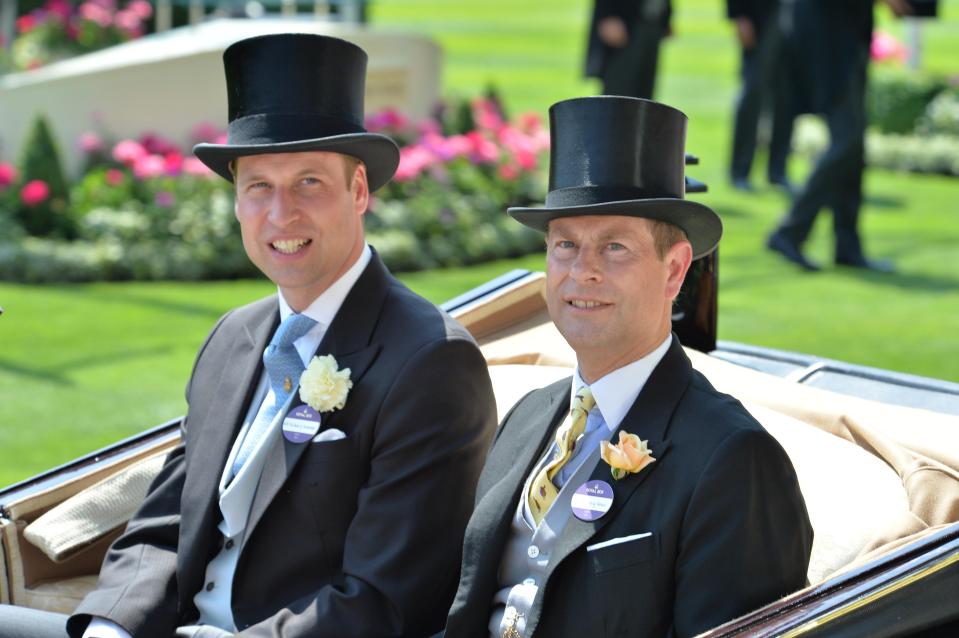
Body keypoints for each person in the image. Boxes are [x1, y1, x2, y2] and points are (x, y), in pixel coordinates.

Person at [0, 33, 497, 638]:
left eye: (309, 182)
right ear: (236, 200)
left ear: (360, 191)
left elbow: (380, 603)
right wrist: (111, 629)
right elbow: (164, 527)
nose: (280, 213)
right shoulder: (234, 337)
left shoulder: (431, 362)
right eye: (258, 184)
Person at [441, 96, 813, 638]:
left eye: (614, 247)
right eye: (565, 244)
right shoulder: (528, 416)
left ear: (675, 270)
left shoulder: (732, 458)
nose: (582, 272)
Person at [766, 0, 910, 272]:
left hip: (846, 38)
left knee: (853, 147)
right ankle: (790, 231)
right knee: (847, 141)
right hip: (828, 45)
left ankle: (848, 246)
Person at [726, 0, 795, 192]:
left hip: (793, 17)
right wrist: (739, 15)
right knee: (753, 95)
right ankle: (740, 171)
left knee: (787, 98)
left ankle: (778, 171)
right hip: (760, 18)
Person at [584, 0, 672, 99]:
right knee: (618, 94)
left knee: (644, 97)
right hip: (625, 22)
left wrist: (666, 14)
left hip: (652, 21)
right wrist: (607, 13)